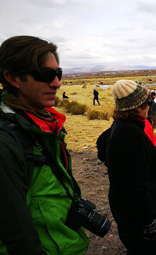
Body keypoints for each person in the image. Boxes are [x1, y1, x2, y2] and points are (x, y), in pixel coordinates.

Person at [0, 36, 89, 254]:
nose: (57, 83)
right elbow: (16, 232)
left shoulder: (43, 124)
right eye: (45, 75)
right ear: (13, 78)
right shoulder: (6, 141)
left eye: (57, 74)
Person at [97, 80, 156, 254]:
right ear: (136, 107)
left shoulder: (120, 126)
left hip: (124, 208)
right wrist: (149, 222)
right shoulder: (132, 134)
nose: (150, 106)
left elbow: (101, 148)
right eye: (147, 103)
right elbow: (137, 186)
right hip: (136, 214)